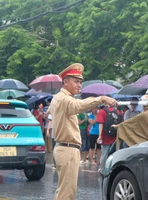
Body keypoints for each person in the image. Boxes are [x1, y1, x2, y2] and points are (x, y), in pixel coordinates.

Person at [47, 63, 117, 200]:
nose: (79, 85)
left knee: (65, 191)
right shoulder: (63, 99)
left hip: (67, 148)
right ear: (65, 82)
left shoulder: (60, 98)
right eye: (76, 81)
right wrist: (101, 98)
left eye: (80, 82)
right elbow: (78, 106)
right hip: (67, 148)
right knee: (66, 193)